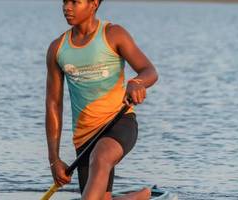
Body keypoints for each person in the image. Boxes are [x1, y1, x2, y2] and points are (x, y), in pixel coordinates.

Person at [45, 0, 158, 199]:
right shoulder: (57, 49)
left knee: (101, 157)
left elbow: (149, 71)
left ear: (94, 4)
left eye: (75, 2)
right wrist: (54, 159)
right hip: (84, 137)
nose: (66, 7)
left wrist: (137, 82)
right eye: (64, 1)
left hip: (118, 122)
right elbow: (53, 104)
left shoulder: (114, 34)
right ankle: (140, 196)